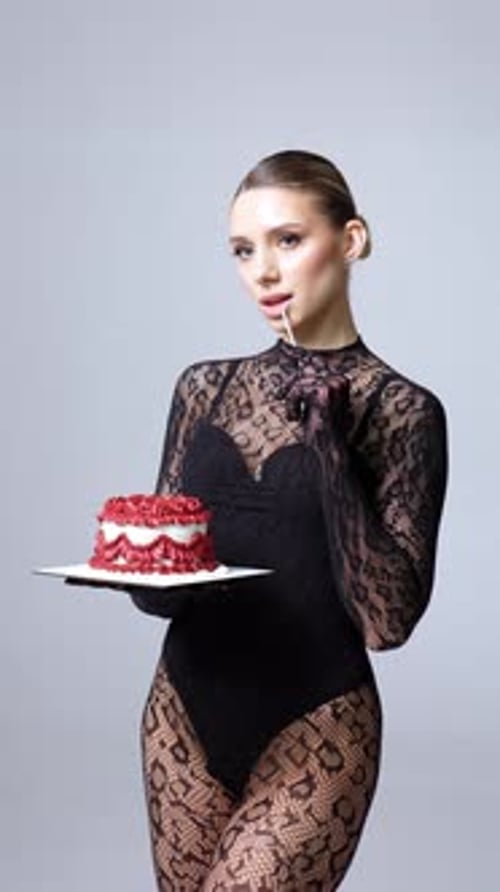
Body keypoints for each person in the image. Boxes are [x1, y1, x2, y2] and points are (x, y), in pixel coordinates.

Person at [129, 149, 448, 890]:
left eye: (287, 240)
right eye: (244, 250)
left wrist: (331, 455)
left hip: (317, 725)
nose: (264, 272)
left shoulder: (403, 410)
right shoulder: (204, 388)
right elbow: (161, 593)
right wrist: (136, 566)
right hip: (180, 714)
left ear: (353, 239)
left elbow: (388, 622)